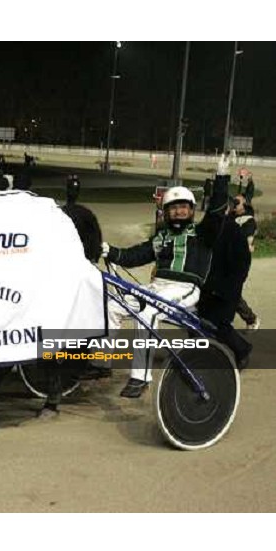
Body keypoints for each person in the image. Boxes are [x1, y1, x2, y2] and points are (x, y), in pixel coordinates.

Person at [101, 170, 229, 398]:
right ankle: (101, 364)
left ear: (191, 210)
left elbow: (217, 213)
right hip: (157, 287)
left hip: (185, 289)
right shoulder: (161, 237)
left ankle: (140, 378)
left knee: (147, 314)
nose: (178, 211)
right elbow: (135, 256)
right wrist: (110, 250)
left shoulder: (202, 234)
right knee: (112, 306)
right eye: (173, 207)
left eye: (183, 207)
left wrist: (222, 178)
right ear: (166, 212)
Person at [197, 199, 252, 369]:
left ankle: (242, 349)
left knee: (219, 325)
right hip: (205, 286)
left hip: (225, 289)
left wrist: (228, 289)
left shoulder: (234, 231)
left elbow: (242, 264)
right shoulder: (205, 229)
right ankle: (197, 356)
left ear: (227, 209)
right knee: (197, 321)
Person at [232, 190, 260, 330]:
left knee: (231, 292)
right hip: (222, 259)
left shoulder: (248, 220)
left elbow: (244, 242)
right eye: (233, 201)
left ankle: (251, 319)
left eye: (237, 202)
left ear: (245, 204)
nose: (234, 205)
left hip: (238, 262)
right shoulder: (229, 217)